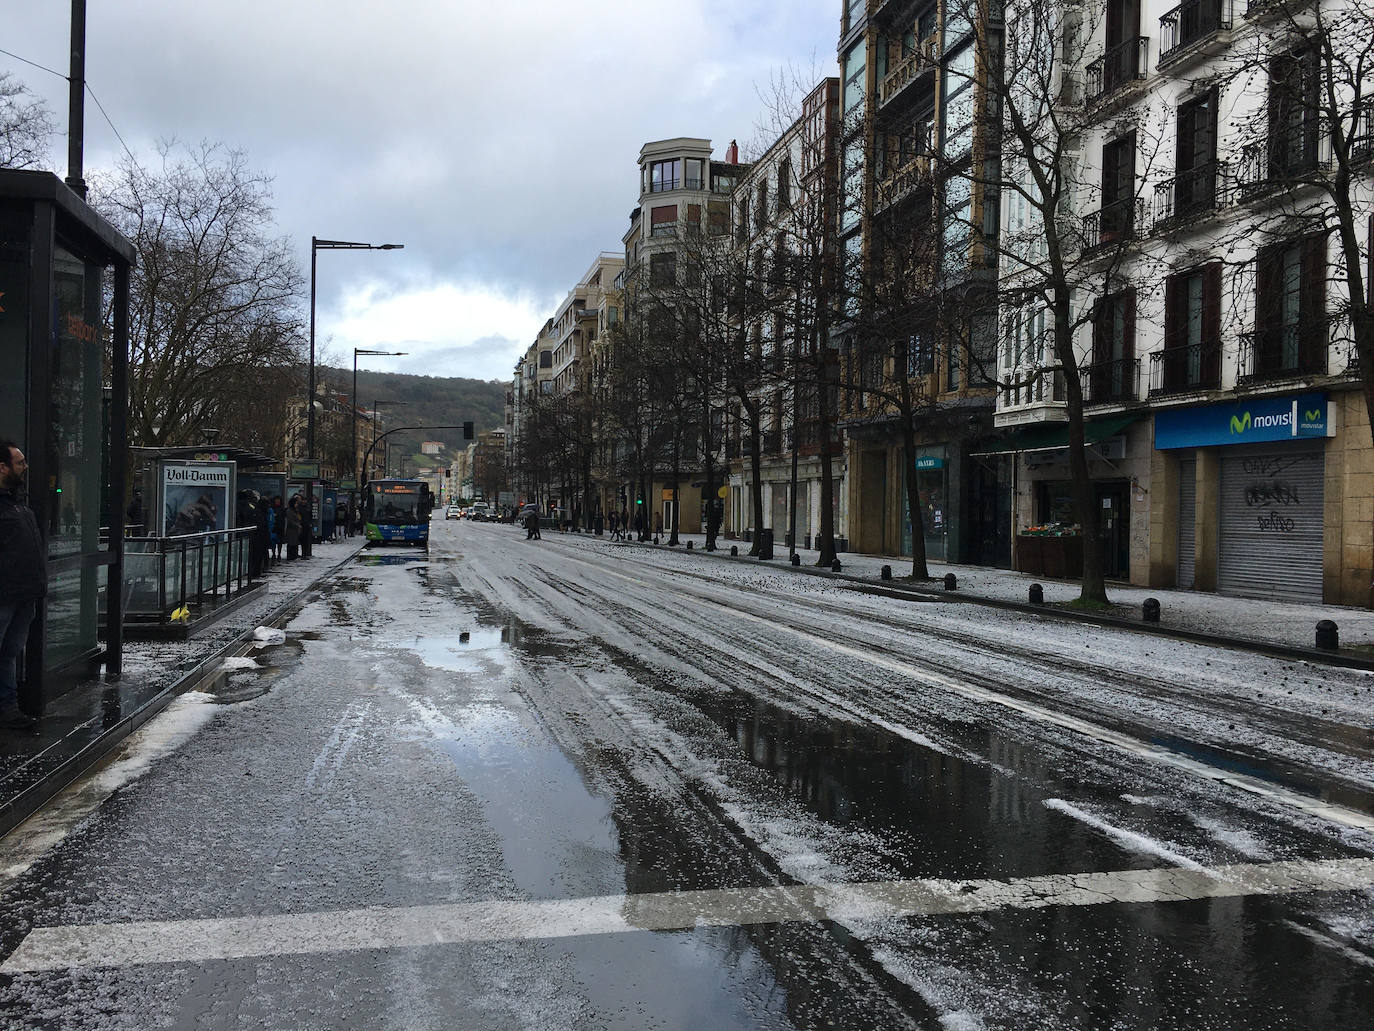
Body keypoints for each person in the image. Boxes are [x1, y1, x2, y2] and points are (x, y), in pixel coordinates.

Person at [0, 442, 43, 731]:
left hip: (24, 594)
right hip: (5, 594)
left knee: (10, 651)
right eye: (19, 462)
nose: (25, 467)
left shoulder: (18, 502)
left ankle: (7, 706)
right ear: (2, 468)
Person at [284, 496, 302, 560]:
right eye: (296, 503)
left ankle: (294, 556)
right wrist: (297, 525)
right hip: (291, 530)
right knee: (291, 543)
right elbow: (290, 521)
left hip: (295, 530)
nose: (297, 505)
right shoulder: (289, 511)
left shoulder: (295, 511)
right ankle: (291, 556)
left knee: (294, 543)